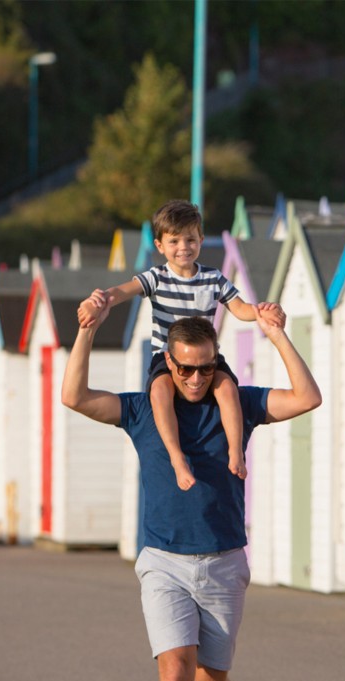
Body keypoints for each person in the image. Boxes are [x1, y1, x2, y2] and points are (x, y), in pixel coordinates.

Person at [62, 304, 321, 681]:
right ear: (168, 361)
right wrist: (86, 331)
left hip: (224, 561)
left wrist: (277, 336)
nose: (197, 378)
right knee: (176, 669)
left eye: (207, 367)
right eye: (185, 369)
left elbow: (308, 398)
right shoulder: (142, 410)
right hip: (164, 562)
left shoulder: (239, 404)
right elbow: (73, 396)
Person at [78, 199, 285, 491]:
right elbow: (122, 291)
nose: (183, 247)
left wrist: (261, 311)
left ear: (201, 240)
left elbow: (240, 309)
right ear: (160, 246)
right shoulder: (157, 277)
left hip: (206, 356)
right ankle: (177, 458)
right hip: (166, 357)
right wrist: (99, 299)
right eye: (174, 240)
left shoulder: (213, 278)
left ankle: (236, 451)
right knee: (160, 391)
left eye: (190, 239)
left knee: (228, 389)